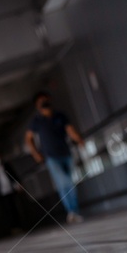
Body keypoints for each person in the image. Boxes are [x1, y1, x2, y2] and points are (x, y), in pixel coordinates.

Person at [25, 92, 86, 224]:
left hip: (66, 154)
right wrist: (35, 153)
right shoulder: (36, 121)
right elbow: (28, 138)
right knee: (64, 182)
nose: (44, 103)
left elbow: (70, 131)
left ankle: (73, 211)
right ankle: (72, 211)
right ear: (37, 105)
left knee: (69, 182)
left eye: (45, 100)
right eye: (41, 101)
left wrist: (79, 140)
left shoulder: (60, 116)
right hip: (51, 157)